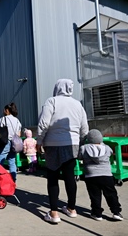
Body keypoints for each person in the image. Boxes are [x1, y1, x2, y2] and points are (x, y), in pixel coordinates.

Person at [36, 78, 89, 224]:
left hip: (52, 144)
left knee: (52, 177)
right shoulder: (77, 104)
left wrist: (39, 141)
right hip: (72, 144)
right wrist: (81, 141)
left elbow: (43, 123)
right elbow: (84, 127)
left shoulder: (51, 101)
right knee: (69, 177)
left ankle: (54, 213)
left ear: (57, 87)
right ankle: (72, 208)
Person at [78, 129, 123, 221]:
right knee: (111, 194)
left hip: (91, 175)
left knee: (95, 195)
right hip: (106, 174)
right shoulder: (107, 148)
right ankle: (116, 212)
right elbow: (110, 154)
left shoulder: (84, 148)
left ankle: (97, 213)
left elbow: (79, 157)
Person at [0, 103, 22, 182]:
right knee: (12, 161)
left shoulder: (4, 119)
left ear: (7, 110)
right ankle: (13, 180)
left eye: (4, 110)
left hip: (5, 142)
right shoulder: (17, 120)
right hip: (15, 143)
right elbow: (19, 134)